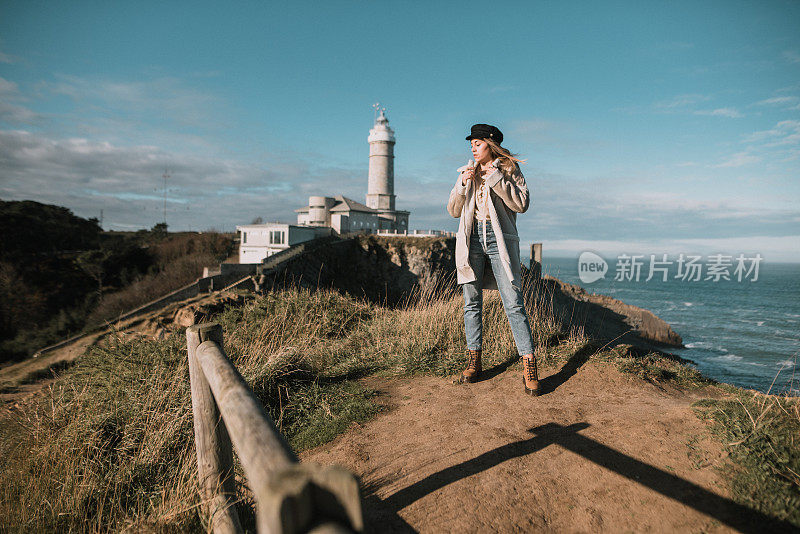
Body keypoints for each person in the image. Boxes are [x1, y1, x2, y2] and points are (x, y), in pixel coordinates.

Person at [446, 123, 540, 396]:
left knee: (513, 303)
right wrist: (464, 183)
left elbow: (521, 204)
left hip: (499, 240)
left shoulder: (509, 169)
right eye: (471, 144)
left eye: (478, 143)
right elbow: (453, 210)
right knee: (471, 302)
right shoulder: (467, 171)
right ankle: (474, 361)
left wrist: (496, 178)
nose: (473, 148)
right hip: (472, 238)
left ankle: (529, 365)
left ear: (491, 144)